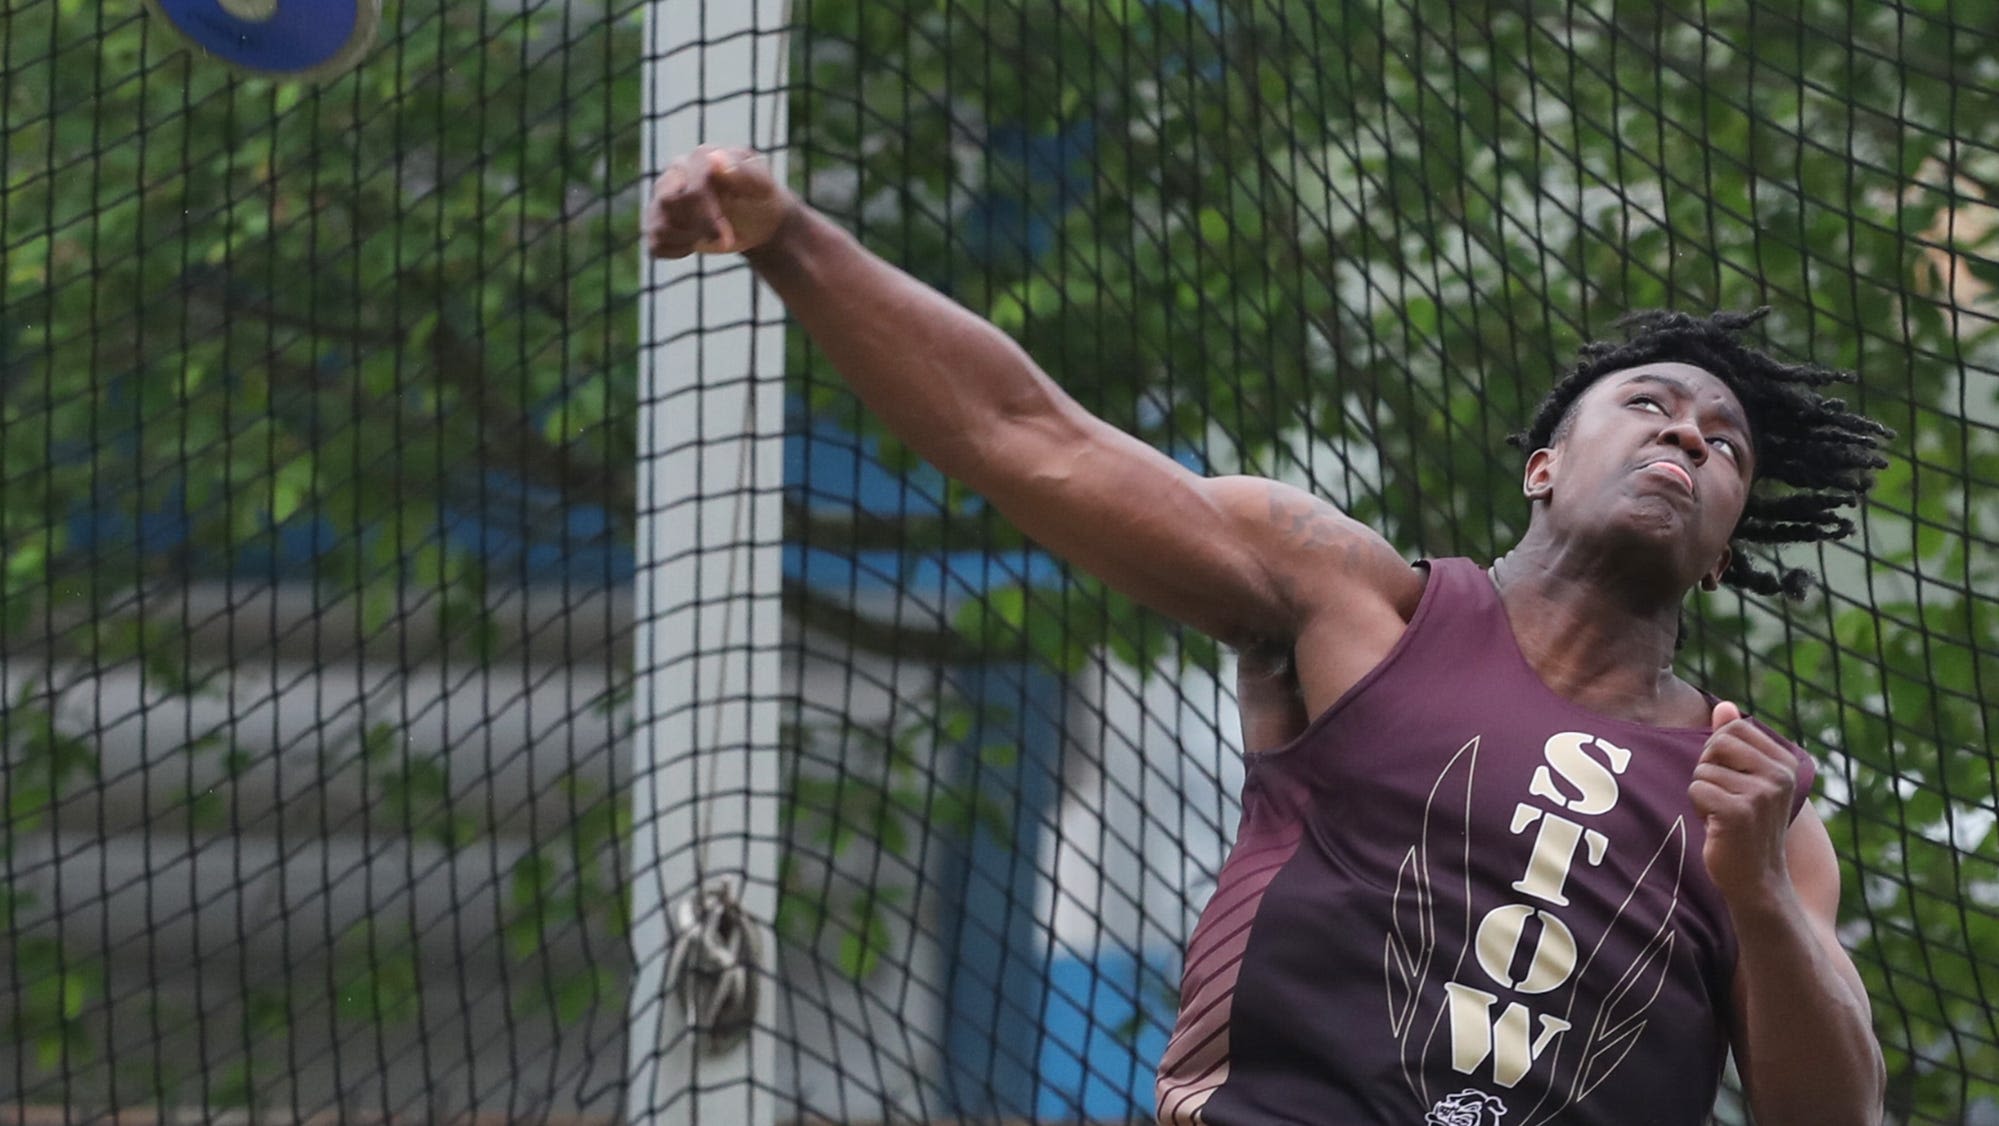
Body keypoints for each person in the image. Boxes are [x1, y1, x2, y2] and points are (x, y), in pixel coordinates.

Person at [644, 145, 1890, 1126]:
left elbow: (1833, 1115)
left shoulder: (1758, 808)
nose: (1687, 437)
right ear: (1543, 465)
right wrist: (791, 239)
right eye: (1650, 405)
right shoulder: (1351, 602)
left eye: (1722, 443)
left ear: (1724, 550)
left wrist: (1760, 895)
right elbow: (1030, 436)